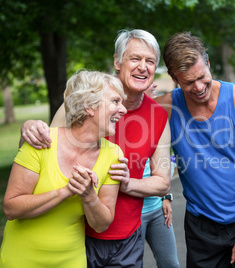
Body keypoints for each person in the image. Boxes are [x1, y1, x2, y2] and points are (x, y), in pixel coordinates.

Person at [19, 29, 171, 267]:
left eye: (150, 61)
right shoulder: (83, 104)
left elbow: (163, 182)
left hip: (127, 239)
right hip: (77, 233)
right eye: (135, 58)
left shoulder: (158, 116)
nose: (143, 67)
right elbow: (44, 150)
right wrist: (28, 128)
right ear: (117, 62)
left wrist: (129, 183)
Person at [155, 32, 235, 268]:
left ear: (208, 62)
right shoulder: (165, 108)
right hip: (202, 229)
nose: (199, 87)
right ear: (174, 78)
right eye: (188, 82)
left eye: (202, 77)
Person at [0, 70, 128, 267]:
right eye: (115, 101)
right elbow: (11, 208)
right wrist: (66, 191)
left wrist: (89, 196)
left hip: (71, 260)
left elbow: (101, 224)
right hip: (21, 258)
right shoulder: (42, 141)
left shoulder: (114, 155)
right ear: (89, 106)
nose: (123, 110)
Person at [141, 83, 180, 268]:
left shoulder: (156, 116)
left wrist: (166, 197)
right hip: (135, 214)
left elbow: (164, 164)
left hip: (157, 210)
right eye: (148, 82)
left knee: (171, 264)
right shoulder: (118, 116)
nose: (154, 84)